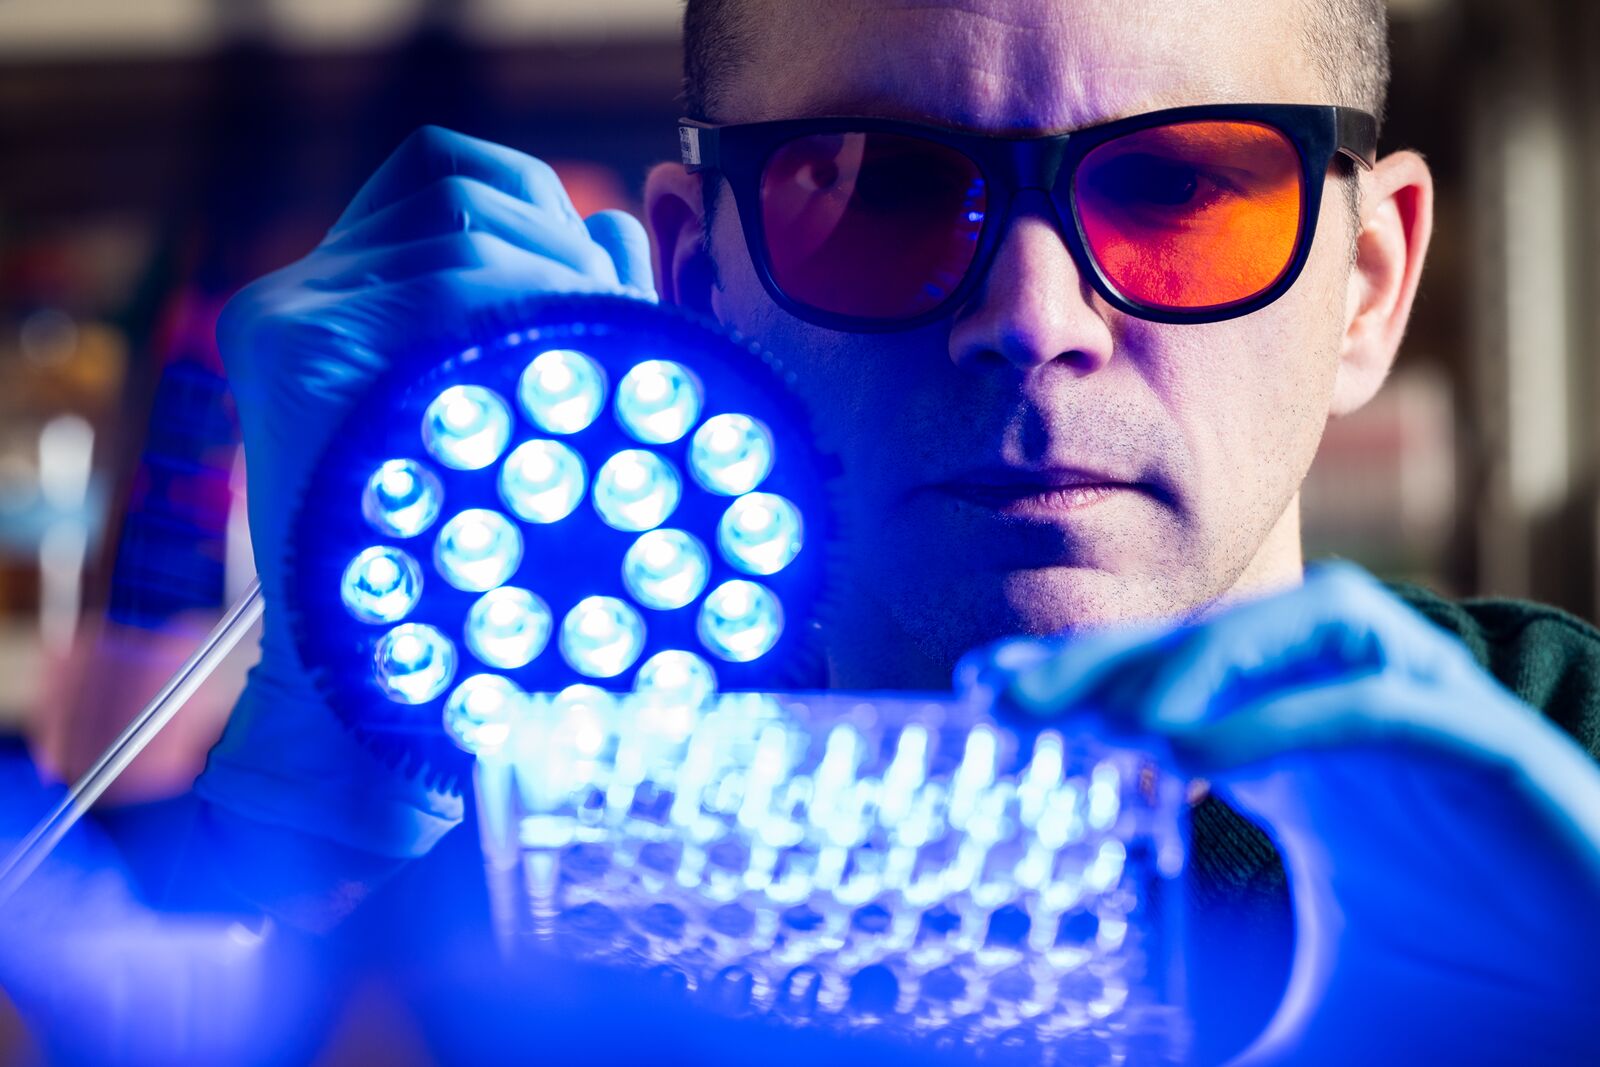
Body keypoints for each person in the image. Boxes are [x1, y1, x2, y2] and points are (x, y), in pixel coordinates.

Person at [188, 0, 1600, 1064]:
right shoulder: (538, 851)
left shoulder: (1575, 780)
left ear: (1366, 281)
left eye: (1176, 191)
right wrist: (306, 837)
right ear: (696, 278)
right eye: (883, 187)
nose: (1033, 323)